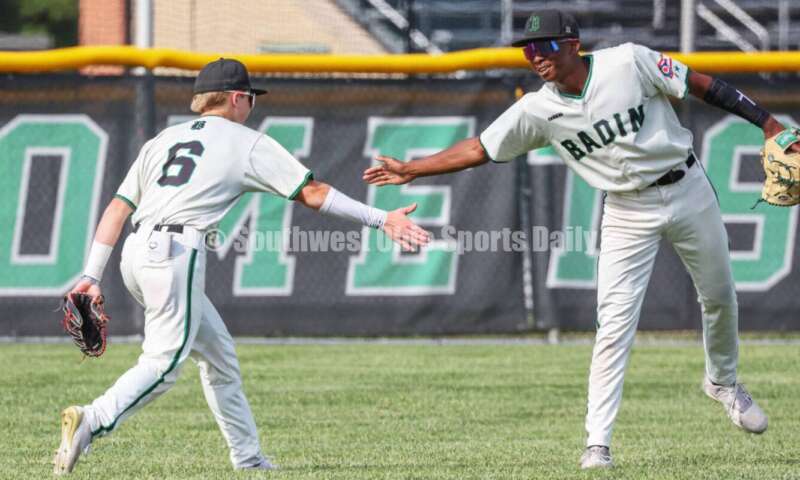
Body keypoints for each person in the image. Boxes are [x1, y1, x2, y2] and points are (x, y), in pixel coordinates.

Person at [363, 10, 800, 469]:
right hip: (627, 210)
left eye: (546, 46)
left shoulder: (628, 62)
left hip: (688, 187)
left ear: (573, 44)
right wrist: (413, 168)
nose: (537, 58)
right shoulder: (537, 109)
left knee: (719, 296)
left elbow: (700, 84)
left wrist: (767, 123)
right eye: (530, 50)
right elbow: (480, 148)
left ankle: (723, 382)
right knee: (613, 325)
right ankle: (598, 443)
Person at [53, 58, 430, 475]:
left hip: (134, 253)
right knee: (163, 363)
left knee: (218, 358)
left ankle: (249, 460)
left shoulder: (162, 139)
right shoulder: (246, 141)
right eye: (250, 97)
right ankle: (92, 418)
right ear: (235, 98)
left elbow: (118, 207)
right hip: (175, 252)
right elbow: (314, 193)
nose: (252, 105)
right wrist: (382, 219)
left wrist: (91, 274)